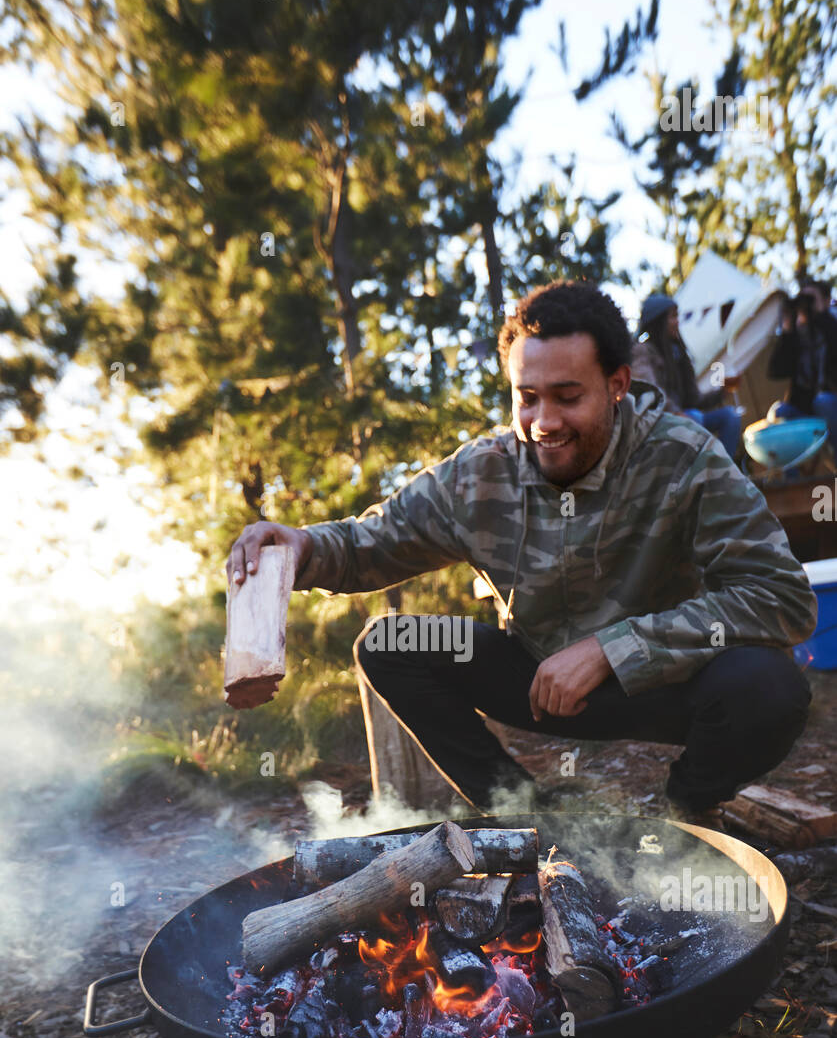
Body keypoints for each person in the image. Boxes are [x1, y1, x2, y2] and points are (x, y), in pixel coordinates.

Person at [227, 280, 816, 818]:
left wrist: (614, 650)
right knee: (390, 642)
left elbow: (782, 599)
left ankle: (686, 807)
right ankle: (523, 813)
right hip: (534, 676)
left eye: (566, 396)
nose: (543, 422)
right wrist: (302, 545)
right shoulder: (482, 472)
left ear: (616, 385)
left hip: (661, 684)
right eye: (527, 397)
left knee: (769, 686)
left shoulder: (685, 457)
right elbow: (370, 543)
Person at [630, 294, 743, 459]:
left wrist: (721, 392)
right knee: (694, 418)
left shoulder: (677, 352)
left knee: (729, 416)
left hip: (688, 418)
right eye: (673, 316)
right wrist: (677, 414)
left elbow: (694, 399)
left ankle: (723, 470)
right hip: (662, 424)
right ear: (659, 321)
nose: (678, 321)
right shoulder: (643, 352)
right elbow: (650, 393)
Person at [767, 278, 837, 449]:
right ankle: (791, 475)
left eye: (811, 299)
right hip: (804, 409)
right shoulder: (798, 336)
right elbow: (775, 371)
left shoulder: (832, 325)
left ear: (827, 301)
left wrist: (821, 313)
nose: (806, 305)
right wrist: (787, 329)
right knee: (779, 411)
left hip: (830, 403)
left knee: (822, 401)